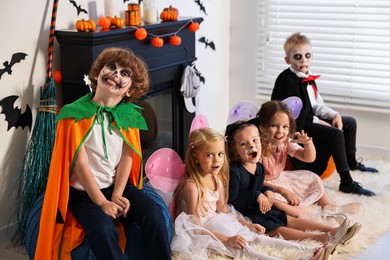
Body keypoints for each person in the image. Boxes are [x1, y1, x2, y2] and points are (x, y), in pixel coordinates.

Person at [34, 47, 171, 259]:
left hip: (118, 186)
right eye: (112, 67)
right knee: (102, 230)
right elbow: (79, 165)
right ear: (98, 73)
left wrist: (117, 194)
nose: (116, 74)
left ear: (130, 91)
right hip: (85, 194)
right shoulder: (74, 115)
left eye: (125, 74)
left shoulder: (128, 117)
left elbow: (128, 156)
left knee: (153, 214)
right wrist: (102, 202)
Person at [171, 127, 322, 260]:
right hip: (204, 230)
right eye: (209, 155)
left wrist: (247, 224)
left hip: (218, 220)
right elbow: (193, 225)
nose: (216, 160)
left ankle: (308, 251)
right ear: (196, 157)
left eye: (220, 154)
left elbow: (223, 210)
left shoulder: (216, 178)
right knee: (244, 248)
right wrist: (226, 239)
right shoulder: (192, 186)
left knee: (257, 238)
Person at [226, 121, 361, 258]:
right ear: (235, 150)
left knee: (287, 218)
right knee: (276, 227)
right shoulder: (235, 171)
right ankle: (323, 239)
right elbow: (233, 202)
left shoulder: (259, 167)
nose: (251, 146)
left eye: (255, 140)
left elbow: (260, 185)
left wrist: (267, 191)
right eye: (244, 144)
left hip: (259, 206)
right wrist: (256, 195)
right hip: (245, 213)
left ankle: (333, 231)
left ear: (260, 142)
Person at [271, 32, 377, 197]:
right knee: (334, 134)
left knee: (349, 122)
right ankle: (347, 182)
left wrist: (334, 114)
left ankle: (351, 162)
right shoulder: (288, 81)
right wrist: (321, 122)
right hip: (297, 126)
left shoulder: (307, 76)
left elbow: (317, 104)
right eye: (297, 57)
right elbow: (299, 115)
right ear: (288, 60)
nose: (304, 61)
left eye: (307, 56)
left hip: (309, 117)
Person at [256, 100, 364, 226]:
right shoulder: (258, 147)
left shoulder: (285, 143)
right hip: (264, 185)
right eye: (274, 126)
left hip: (282, 178)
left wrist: (307, 143)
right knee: (275, 202)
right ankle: (310, 217)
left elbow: (308, 158)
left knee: (312, 177)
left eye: (285, 127)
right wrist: (283, 191)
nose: (280, 131)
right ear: (263, 127)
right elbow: (255, 179)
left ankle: (329, 207)